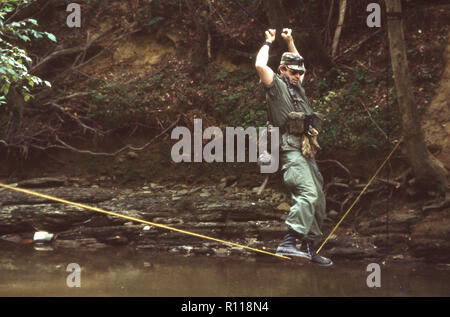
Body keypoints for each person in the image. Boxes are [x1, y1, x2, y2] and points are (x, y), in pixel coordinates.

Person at [255, 28, 332, 266]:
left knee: (318, 197)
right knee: (307, 193)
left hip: (307, 150)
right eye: (293, 71)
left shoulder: (298, 87)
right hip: (289, 149)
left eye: (300, 72)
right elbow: (259, 65)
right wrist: (269, 41)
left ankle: (309, 247)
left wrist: (290, 41)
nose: (298, 75)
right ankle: (289, 242)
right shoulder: (275, 85)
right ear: (282, 70)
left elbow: (301, 63)